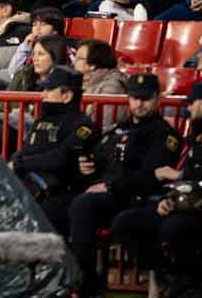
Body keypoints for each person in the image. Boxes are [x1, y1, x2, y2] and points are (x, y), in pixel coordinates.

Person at [70, 73, 182, 298]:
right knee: (68, 203)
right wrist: (86, 167)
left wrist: (110, 186)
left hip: (137, 198)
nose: (139, 103)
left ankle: (86, 282)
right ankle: (81, 278)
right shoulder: (118, 128)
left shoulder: (164, 135)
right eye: (134, 97)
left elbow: (151, 176)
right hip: (109, 195)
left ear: (157, 99)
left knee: (83, 205)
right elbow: (100, 160)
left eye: (145, 98)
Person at [111, 80, 202, 296]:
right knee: (125, 222)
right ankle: (168, 274)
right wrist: (170, 199)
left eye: (193, 103)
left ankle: (190, 281)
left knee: (174, 228)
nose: (188, 108)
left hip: (193, 209)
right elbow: (188, 178)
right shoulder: (195, 135)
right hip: (184, 203)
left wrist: (176, 202)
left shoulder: (170, 132)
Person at [10, 66, 99, 236]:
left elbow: (60, 158)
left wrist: (19, 163)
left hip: (59, 193)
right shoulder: (43, 119)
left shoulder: (83, 125)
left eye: (49, 90)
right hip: (29, 185)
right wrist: (15, 161)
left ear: (67, 96)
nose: (43, 95)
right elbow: (26, 149)